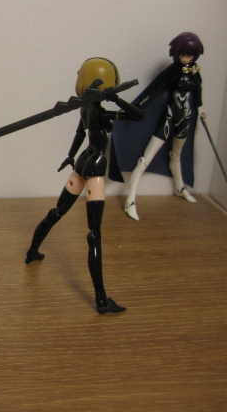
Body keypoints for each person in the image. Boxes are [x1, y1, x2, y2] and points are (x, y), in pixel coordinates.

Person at [24, 58, 143, 314]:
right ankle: (101, 301)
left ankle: (32, 252)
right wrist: (116, 99)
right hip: (96, 167)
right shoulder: (99, 111)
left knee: (57, 211)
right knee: (94, 233)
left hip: (82, 162)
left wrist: (70, 156)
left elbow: (80, 134)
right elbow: (138, 116)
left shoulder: (86, 109)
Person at [108, 32, 204, 220]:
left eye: (191, 55)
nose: (187, 58)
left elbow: (198, 93)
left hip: (185, 118)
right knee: (145, 159)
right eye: (184, 54)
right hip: (169, 118)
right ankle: (130, 201)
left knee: (176, 155)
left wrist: (200, 109)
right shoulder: (173, 71)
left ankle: (180, 188)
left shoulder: (194, 71)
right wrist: (134, 109)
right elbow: (152, 91)